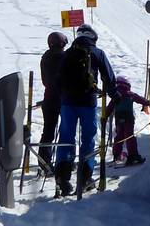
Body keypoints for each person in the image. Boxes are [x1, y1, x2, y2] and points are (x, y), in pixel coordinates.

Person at [55, 24, 119, 195]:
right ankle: (85, 177)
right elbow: (108, 77)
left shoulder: (68, 53)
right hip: (88, 102)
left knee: (66, 137)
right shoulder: (97, 53)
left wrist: (62, 96)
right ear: (93, 37)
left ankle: (62, 176)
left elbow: (58, 79)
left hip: (68, 102)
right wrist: (114, 94)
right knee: (88, 138)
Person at [105, 76, 150, 166]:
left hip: (118, 119)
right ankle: (133, 156)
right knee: (129, 137)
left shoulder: (115, 96)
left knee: (119, 136)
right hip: (128, 119)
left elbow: (109, 108)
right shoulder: (130, 94)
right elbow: (142, 100)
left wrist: (104, 116)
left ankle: (116, 155)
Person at [37, 31, 68, 172]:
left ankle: (44, 162)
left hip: (49, 98)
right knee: (66, 131)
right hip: (64, 98)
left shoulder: (45, 58)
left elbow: (45, 80)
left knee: (48, 131)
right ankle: (64, 160)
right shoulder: (65, 57)